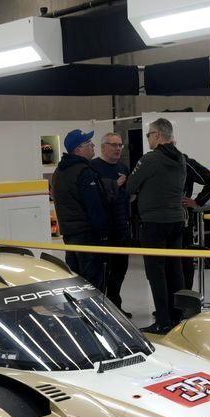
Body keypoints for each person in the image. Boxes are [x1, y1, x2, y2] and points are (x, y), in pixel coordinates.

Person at [126, 118, 186, 334]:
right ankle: (177, 316)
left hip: (154, 223)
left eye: (149, 135)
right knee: (175, 270)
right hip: (176, 221)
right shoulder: (180, 158)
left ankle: (162, 321)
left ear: (158, 135)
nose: (148, 139)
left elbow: (130, 186)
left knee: (156, 273)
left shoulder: (149, 159)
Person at [50, 129, 111, 291]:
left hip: (69, 235)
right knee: (93, 284)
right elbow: (94, 206)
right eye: (88, 143)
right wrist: (103, 234)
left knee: (76, 283)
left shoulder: (58, 172)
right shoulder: (84, 172)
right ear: (78, 149)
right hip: (88, 236)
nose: (93, 145)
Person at [90, 132, 132, 317]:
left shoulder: (123, 167)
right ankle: (100, 309)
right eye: (114, 145)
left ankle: (115, 305)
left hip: (122, 228)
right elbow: (95, 198)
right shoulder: (93, 168)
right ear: (103, 147)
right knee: (103, 272)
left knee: (120, 270)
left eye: (120, 145)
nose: (118, 148)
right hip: (103, 231)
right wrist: (115, 184)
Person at [180, 154, 210, 293]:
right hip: (164, 222)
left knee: (185, 261)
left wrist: (197, 201)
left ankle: (185, 298)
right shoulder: (157, 162)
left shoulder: (185, 162)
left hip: (184, 222)